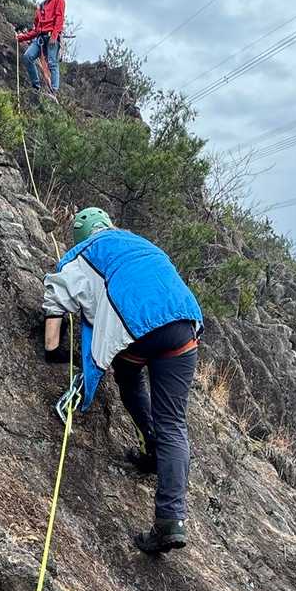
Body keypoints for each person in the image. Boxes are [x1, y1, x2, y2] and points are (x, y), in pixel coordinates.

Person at [42, 207, 202, 555]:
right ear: (109, 225)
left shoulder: (86, 251)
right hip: (183, 325)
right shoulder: (141, 242)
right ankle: (170, 520)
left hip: (138, 328)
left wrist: (53, 349)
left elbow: (57, 295)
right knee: (173, 423)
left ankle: (151, 446)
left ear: (81, 236)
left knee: (129, 379)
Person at [17, 0, 65, 95]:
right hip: (40, 38)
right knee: (28, 57)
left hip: (51, 36)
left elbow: (59, 19)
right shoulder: (41, 7)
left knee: (52, 63)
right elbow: (36, 29)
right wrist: (21, 38)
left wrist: (54, 36)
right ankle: (36, 86)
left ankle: (54, 91)